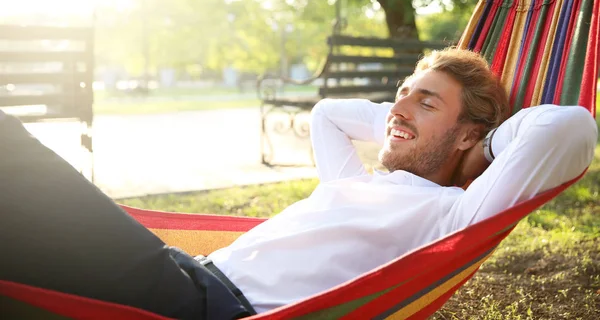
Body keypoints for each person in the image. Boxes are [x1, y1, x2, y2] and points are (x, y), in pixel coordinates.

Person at [0, 49, 596, 319]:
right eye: (400, 93)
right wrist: (409, 118)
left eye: (427, 101)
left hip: (200, 302)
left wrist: (484, 145)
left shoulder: (451, 216)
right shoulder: (358, 181)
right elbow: (327, 114)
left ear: (468, 135)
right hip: (179, 273)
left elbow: (570, 126)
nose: (399, 105)